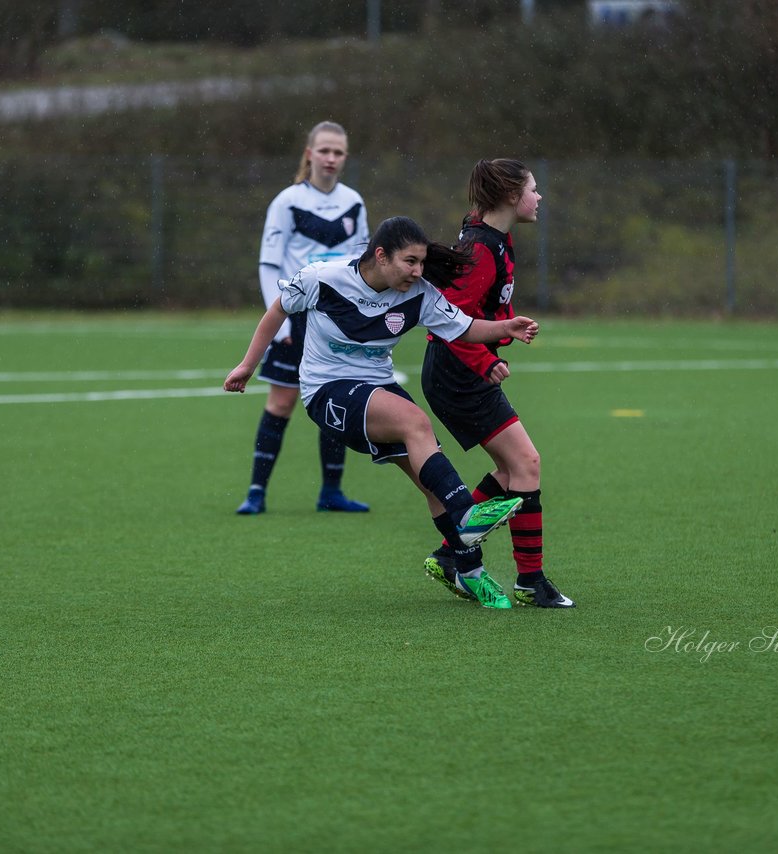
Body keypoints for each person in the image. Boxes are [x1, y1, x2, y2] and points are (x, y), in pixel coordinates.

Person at [225, 216, 539, 609]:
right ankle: (466, 516)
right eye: (409, 261)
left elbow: (461, 328)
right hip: (327, 392)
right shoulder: (323, 278)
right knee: (416, 422)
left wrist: (505, 326)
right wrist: (247, 365)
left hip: (378, 388)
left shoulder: (419, 293)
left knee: (431, 479)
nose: (418, 271)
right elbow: (277, 311)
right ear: (380, 255)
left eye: (422, 263)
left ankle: (468, 571)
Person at [420, 158, 575, 608]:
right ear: (511, 195)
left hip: (457, 370)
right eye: (533, 188)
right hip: (457, 372)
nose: (539, 196)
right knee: (527, 463)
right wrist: (484, 358)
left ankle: (452, 553)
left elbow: (477, 308)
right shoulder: (482, 247)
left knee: (512, 471)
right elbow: (447, 320)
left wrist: (507, 326)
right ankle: (531, 582)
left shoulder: (492, 239)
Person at [234, 120, 371, 515]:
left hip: (338, 319)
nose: (331, 158)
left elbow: (360, 262)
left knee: (337, 402)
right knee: (281, 402)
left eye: (338, 152)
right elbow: (268, 264)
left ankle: (331, 492)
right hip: (294, 319)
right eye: (324, 150)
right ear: (309, 153)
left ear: (345, 157)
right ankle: (256, 492)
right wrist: (275, 327)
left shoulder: (354, 202)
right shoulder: (287, 202)